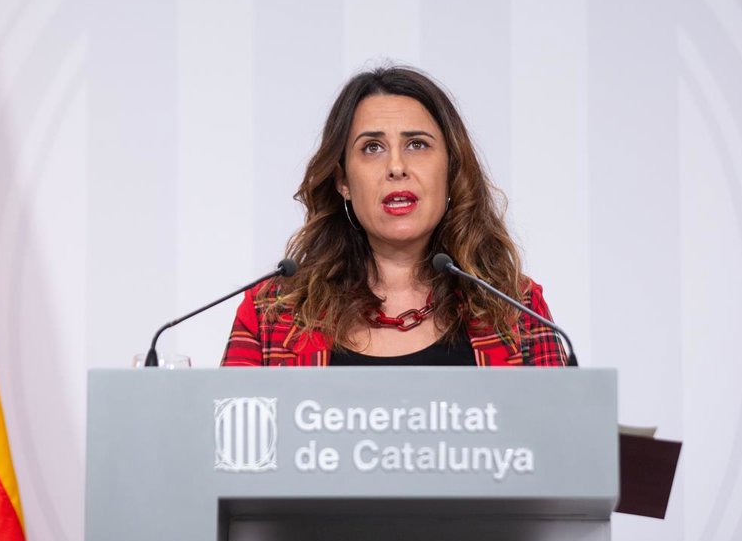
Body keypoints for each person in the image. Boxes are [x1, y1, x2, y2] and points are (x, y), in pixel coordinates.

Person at [221, 66, 573, 367]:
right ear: (343, 181)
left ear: (451, 170)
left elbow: (564, 426)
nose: (396, 167)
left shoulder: (517, 310)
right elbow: (231, 426)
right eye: (372, 147)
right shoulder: (271, 315)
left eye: (417, 144)